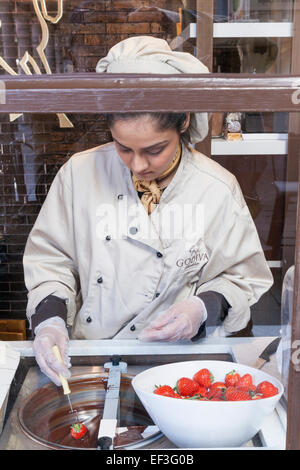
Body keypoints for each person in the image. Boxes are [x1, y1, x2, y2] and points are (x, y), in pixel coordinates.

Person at [23, 36, 273, 386]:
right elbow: (51, 263)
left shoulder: (216, 188)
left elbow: (241, 277)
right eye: (124, 148)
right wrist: (49, 322)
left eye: (154, 149)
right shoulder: (79, 175)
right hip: (88, 361)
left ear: (183, 122)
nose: (139, 165)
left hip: (180, 365)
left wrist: (200, 309)